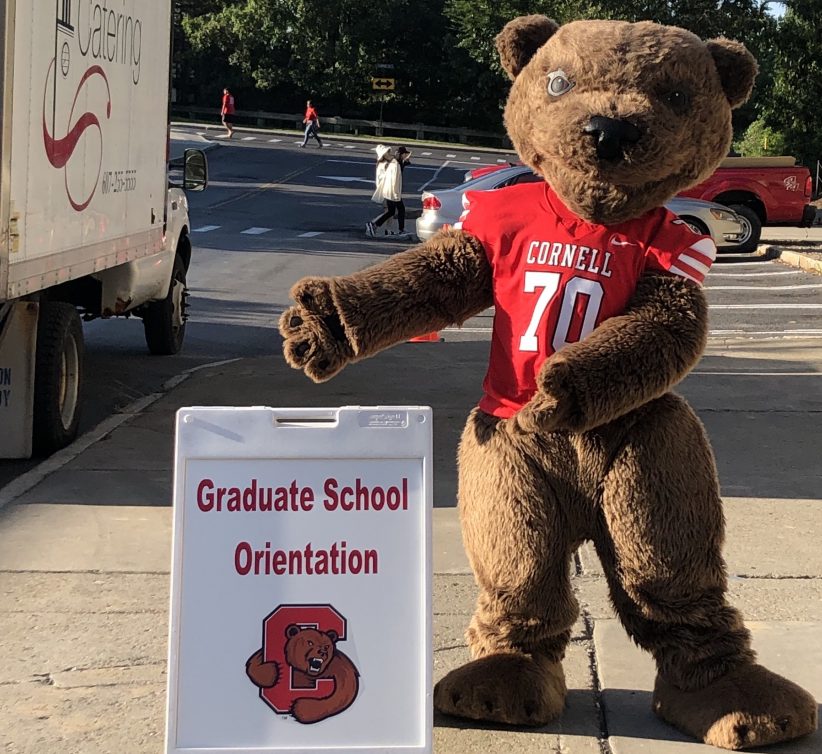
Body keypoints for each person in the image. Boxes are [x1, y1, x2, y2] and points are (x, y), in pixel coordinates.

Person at [366, 144, 408, 238]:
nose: (390, 153)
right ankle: (400, 230)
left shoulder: (389, 162)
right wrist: (395, 192)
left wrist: (402, 161)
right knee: (400, 209)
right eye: (388, 152)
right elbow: (392, 177)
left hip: (390, 191)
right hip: (391, 191)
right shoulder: (386, 164)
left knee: (391, 211)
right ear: (383, 154)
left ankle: (374, 225)